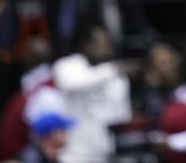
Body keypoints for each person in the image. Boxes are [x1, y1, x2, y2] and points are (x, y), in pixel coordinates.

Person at [51, 25, 131, 163]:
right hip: (75, 155)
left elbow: (123, 115)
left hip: (107, 155)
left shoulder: (118, 77)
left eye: (108, 42)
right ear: (86, 45)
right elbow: (74, 83)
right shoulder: (67, 65)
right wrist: (113, 69)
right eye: (101, 42)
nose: (106, 46)